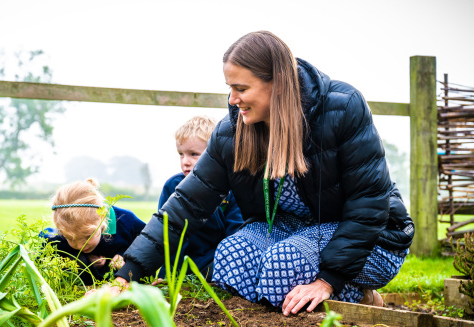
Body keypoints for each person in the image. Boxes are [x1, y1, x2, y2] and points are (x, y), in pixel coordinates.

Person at [114, 31, 414, 315]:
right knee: (232, 256)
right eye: (230, 88)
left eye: (241, 89)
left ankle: (361, 297)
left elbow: (369, 204)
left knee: (284, 264)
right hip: (292, 229)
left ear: (278, 84)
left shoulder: (343, 108)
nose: (232, 99)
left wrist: (328, 280)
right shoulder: (232, 134)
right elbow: (186, 204)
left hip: (374, 238)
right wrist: (128, 273)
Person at [157, 115, 243, 281]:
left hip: (216, 260)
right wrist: (167, 275)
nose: (185, 162)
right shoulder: (173, 186)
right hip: (184, 263)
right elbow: (167, 234)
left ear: (215, 154)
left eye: (193, 154)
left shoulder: (232, 190)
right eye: (181, 154)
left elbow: (235, 233)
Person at [42, 178, 146, 286]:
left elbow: (149, 244)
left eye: (87, 236)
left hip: (127, 283)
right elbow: (44, 241)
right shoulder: (65, 231)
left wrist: (126, 255)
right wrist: (82, 259)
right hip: (85, 285)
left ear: (101, 219)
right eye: (71, 239)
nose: (80, 245)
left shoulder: (126, 221)